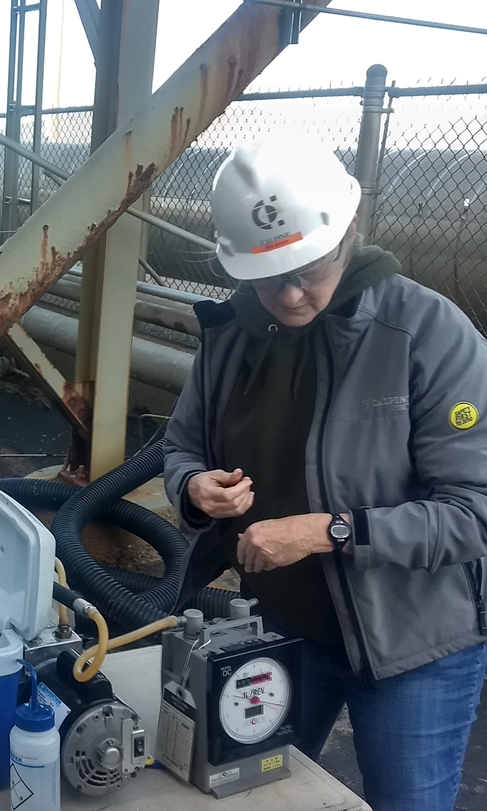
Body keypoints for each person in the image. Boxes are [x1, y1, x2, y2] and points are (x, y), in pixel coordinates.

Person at [163, 137, 487, 811]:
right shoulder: (233, 335)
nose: (288, 293)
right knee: (263, 795)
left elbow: (473, 512)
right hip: (284, 627)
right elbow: (181, 447)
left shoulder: (427, 335)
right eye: (267, 274)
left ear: (347, 232)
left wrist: (329, 530)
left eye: (308, 268)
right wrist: (194, 489)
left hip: (412, 645)